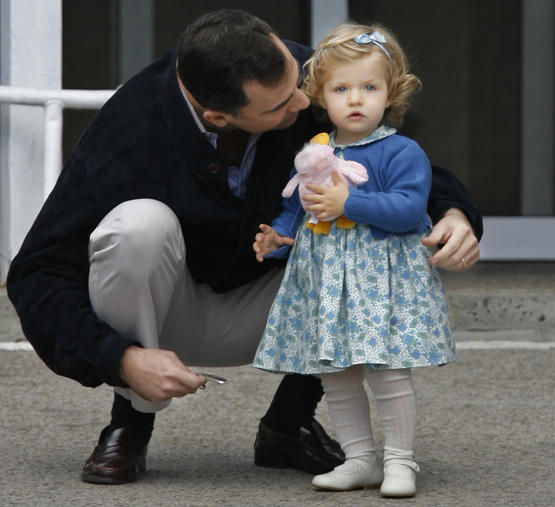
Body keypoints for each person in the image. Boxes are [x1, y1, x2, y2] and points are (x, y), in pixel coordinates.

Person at [6, 9, 482, 485]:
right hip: (170, 308)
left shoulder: (303, 77)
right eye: (280, 106)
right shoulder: (130, 130)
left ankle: (288, 425)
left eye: (300, 82)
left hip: (274, 305)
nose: (303, 100)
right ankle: (132, 420)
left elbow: (395, 164)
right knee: (137, 228)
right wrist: (120, 359)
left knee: (361, 254)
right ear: (219, 116)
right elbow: (37, 273)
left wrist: (455, 213)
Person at [253, 23, 458, 498]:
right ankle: (360, 458)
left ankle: (400, 461)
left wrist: (350, 203)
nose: (356, 99)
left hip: (380, 281)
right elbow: (297, 205)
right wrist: (279, 235)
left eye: (370, 87)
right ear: (321, 97)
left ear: (392, 93)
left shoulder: (402, 151)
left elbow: (410, 210)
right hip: (328, 280)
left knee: (386, 372)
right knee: (337, 375)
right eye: (341, 89)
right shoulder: (316, 151)